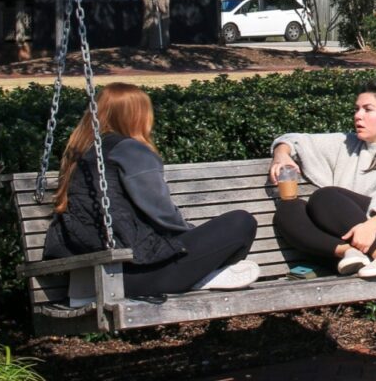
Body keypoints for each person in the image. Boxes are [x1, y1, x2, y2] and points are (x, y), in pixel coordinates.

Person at [43, 83, 260, 299]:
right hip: (138, 274)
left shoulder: (80, 154)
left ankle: (208, 277)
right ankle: (203, 278)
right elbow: (161, 212)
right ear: (137, 116)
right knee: (241, 222)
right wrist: (192, 236)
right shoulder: (129, 149)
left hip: (92, 278)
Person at [270, 80, 376, 279]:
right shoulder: (347, 144)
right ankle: (348, 253)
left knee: (325, 197)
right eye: (357, 109)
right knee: (287, 211)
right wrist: (281, 154)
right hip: (356, 241)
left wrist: (373, 225)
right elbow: (295, 140)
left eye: (368, 110)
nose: (358, 116)